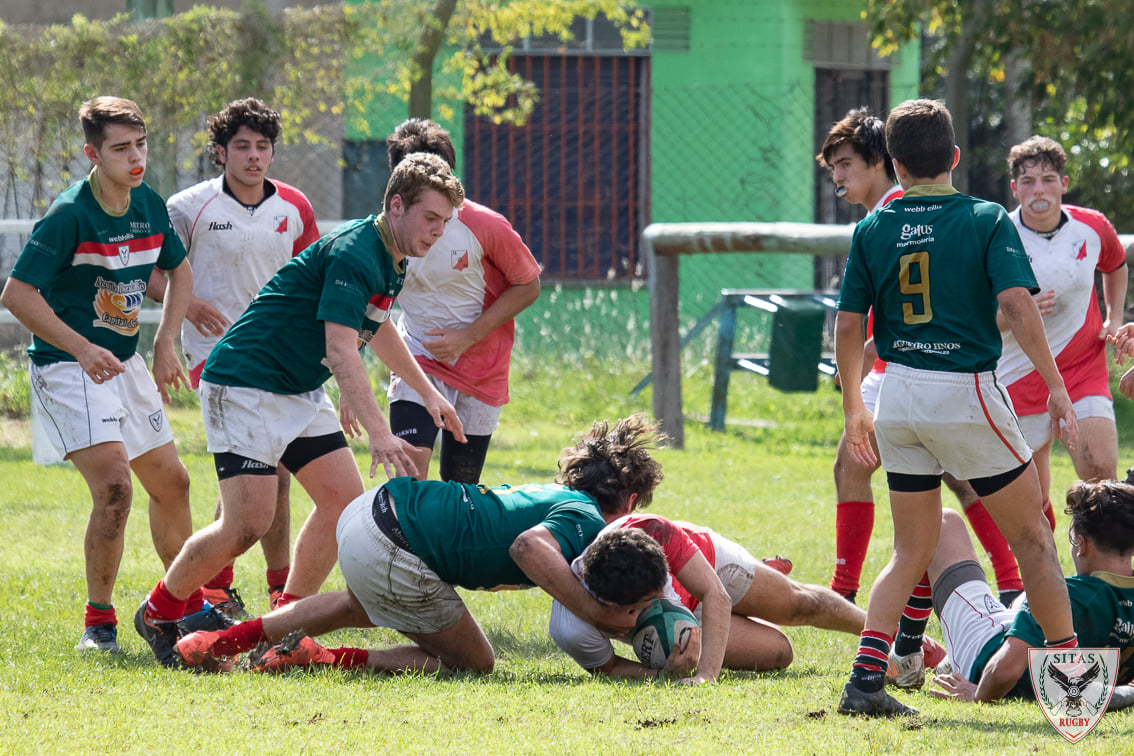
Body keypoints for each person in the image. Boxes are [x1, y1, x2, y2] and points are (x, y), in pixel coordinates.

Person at [134, 152, 467, 667]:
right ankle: (159, 610)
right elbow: (339, 349)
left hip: (297, 390)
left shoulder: (394, 256)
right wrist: (380, 432)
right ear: (396, 205)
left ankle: (283, 624)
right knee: (246, 524)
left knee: (343, 507)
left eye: (445, 223)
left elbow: (372, 329)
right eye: (430, 219)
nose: (437, 232)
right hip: (244, 382)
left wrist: (428, 392)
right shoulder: (357, 251)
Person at [833, 98, 1079, 717]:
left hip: (897, 395)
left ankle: (865, 683)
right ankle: (1074, 683)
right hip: (963, 389)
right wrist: (1055, 384)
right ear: (956, 157)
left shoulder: (874, 226)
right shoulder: (985, 217)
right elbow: (1019, 307)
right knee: (1035, 538)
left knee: (909, 550)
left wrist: (852, 411)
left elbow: (846, 326)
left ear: (894, 162)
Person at [172, 415, 668, 675]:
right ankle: (321, 659)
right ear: (627, 500)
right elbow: (528, 550)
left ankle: (219, 641)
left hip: (372, 512)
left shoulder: (559, 498)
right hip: (396, 543)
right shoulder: (583, 517)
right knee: (476, 663)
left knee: (357, 605)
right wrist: (597, 613)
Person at [0, 96, 195, 654]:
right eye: (121, 149)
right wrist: (82, 347)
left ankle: (179, 606)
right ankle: (99, 623)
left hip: (125, 362)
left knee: (175, 483)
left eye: (141, 145)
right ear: (92, 153)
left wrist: (164, 345)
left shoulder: (149, 204)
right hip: (68, 365)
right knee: (114, 489)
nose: (136, 158)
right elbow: (17, 294)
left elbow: (178, 270)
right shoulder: (68, 214)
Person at [817, 108, 1023, 610]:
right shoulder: (884, 215)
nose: (838, 177)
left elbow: (889, 318)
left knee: (883, 472)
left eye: (845, 164)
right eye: (833, 169)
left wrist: (868, 364)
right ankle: (1005, 580)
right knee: (932, 479)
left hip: (911, 373)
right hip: (925, 375)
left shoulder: (896, 214)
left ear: (885, 162)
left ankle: (850, 595)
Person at [148, 97, 322, 616]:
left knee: (267, 474)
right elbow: (152, 273)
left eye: (262, 146)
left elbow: (311, 278)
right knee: (267, 471)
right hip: (217, 356)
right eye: (241, 146)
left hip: (279, 356)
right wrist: (190, 303)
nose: (253, 156)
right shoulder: (188, 206)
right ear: (219, 153)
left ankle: (264, 588)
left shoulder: (295, 207)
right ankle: (237, 587)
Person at [384, 119, 541, 483]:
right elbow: (368, 307)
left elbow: (529, 285)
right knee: (408, 477)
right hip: (417, 359)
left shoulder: (485, 225)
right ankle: (399, 541)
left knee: (460, 491)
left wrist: (469, 335)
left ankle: (444, 542)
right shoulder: (387, 230)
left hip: (481, 369)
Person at [548, 513, 872, 684]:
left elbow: (714, 593)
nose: (664, 596)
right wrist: (663, 676)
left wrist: (706, 675)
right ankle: (757, 590)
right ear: (618, 607)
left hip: (708, 566)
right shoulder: (572, 628)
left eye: (662, 587)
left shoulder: (655, 531)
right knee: (779, 653)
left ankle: (883, 633)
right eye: (652, 599)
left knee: (800, 605)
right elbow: (610, 667)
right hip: (688, 611)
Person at [997, 136, 1126, 521]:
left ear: (1064, 184)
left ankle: (1108, 576)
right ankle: (1048, 574)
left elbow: (1116, 265)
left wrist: (1113, 318)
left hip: (1081, 370)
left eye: (1048, 179)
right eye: (1028, 181)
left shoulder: (1091, 226)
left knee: (1101, 476)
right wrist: (1017, 313)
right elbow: (974, 317)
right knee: (1028, 503)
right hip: (1017, 375)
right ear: (1013, 188)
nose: (1039, 190)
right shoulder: (995, 234)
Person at [927, 481, 1134, 707]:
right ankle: (940, 659)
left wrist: (976, 695)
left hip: (985, 651)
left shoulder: (1068, 594)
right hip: (1023, 640)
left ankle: (906, 651)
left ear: (1082, 544)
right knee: (1021, 602)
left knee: (943, 521)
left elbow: (1004, 671)